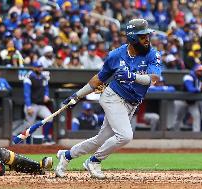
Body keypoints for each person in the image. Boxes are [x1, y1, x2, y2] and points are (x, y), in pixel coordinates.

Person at [55, 18, 161, 179]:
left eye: (147, 35)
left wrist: (132, 77)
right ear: (132, 38)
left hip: (131, 103)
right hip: (113, 97)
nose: (147, 39)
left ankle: (67, 155)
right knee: (125, 136)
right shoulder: (116, 55)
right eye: (142, 36)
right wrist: (77, 95)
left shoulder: (152, 54)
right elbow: (98, 79)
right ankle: (94, 161)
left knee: (100, 139)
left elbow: (153, 79)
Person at [23, 61, 54, 143]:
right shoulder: (29, 77)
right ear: (34, 68)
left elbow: (46, 88)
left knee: (49, 118)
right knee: (29, 125)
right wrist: (29, 107)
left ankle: (45, 138)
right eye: (38, 67)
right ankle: (27, 142)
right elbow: (26, 93)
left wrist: (46, 95)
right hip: (31, 104)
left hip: (40, 105)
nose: (40, 68)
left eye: (41, 67)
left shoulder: (43, 77)